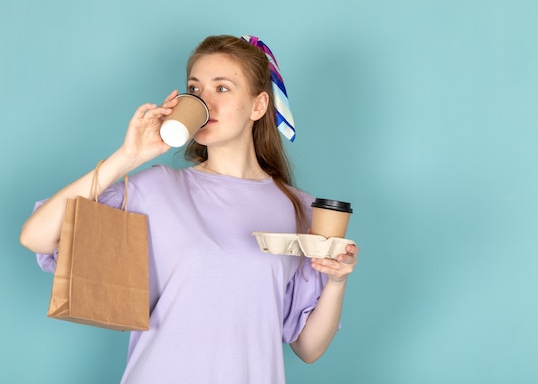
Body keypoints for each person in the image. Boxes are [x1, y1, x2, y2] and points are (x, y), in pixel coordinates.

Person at [20, 34, 359, 384]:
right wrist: (128, 157)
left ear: (258, 106)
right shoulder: (159, 187)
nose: (204, 101)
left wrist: (336, 281)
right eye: (195, 90)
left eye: (222, 88)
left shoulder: (299, 209)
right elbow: (36, 236)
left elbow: (308, 348)